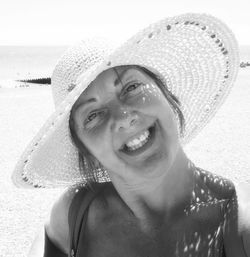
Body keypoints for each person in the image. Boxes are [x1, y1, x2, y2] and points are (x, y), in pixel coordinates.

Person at [12, 13, 250, 257]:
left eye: (131, 87)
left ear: (168, 95)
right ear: (86, 151)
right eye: (93, 115)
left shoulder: (241, 222)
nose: (124, 118)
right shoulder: (73, 217)